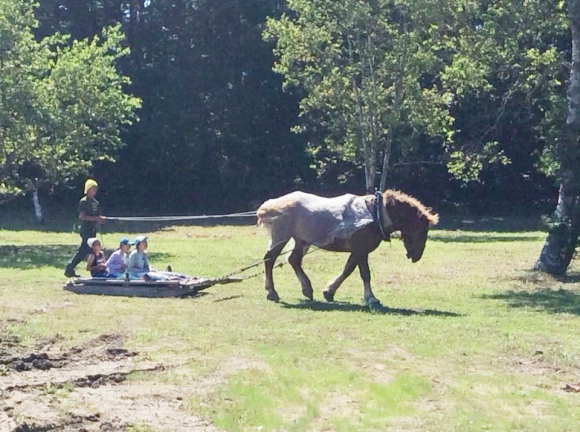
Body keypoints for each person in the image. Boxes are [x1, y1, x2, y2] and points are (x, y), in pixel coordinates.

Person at [64, 179, 106, 277]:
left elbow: (97, 216)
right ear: (88, 189)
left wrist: (100, 220)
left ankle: (93, 270)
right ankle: (70, 268)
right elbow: (82, 216)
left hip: (93, 230)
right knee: (84, 250)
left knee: (88, 251)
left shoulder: (96, 203)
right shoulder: (84, 201)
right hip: (86, 230)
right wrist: (96, 218)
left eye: (96, 188)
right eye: (93, 188)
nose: (95, 190)